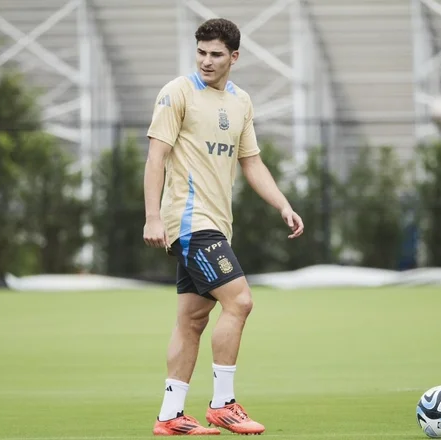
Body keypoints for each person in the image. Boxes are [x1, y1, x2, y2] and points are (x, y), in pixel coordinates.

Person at [143, 17, 304, 436]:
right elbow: (156, 157)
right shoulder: (177, 92)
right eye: (201, 52)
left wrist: (283, 204)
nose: (206, 61)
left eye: (216, 54)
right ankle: (223, 404)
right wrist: (153, 216)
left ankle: (170, 416)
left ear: (234, 57)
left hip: (217, 225)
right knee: (240, 301)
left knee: (192, 320)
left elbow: (251, 162)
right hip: (190, 222)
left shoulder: (241, 102)